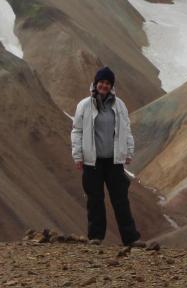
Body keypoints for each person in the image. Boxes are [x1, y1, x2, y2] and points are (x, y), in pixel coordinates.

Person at [71, 66, 141, 245]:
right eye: (101, 82)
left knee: (121, 200)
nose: (104, 86)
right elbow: (77, 131)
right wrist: (78, 156)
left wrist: (128, 152)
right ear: (95, 83)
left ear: (112, 86)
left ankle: (131, 238)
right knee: (95, 200)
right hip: (92, 161)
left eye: (108, 83)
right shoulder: (84, 105)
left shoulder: (120, 105)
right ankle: (95, 237)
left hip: (114, 161)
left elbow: (126, 130)